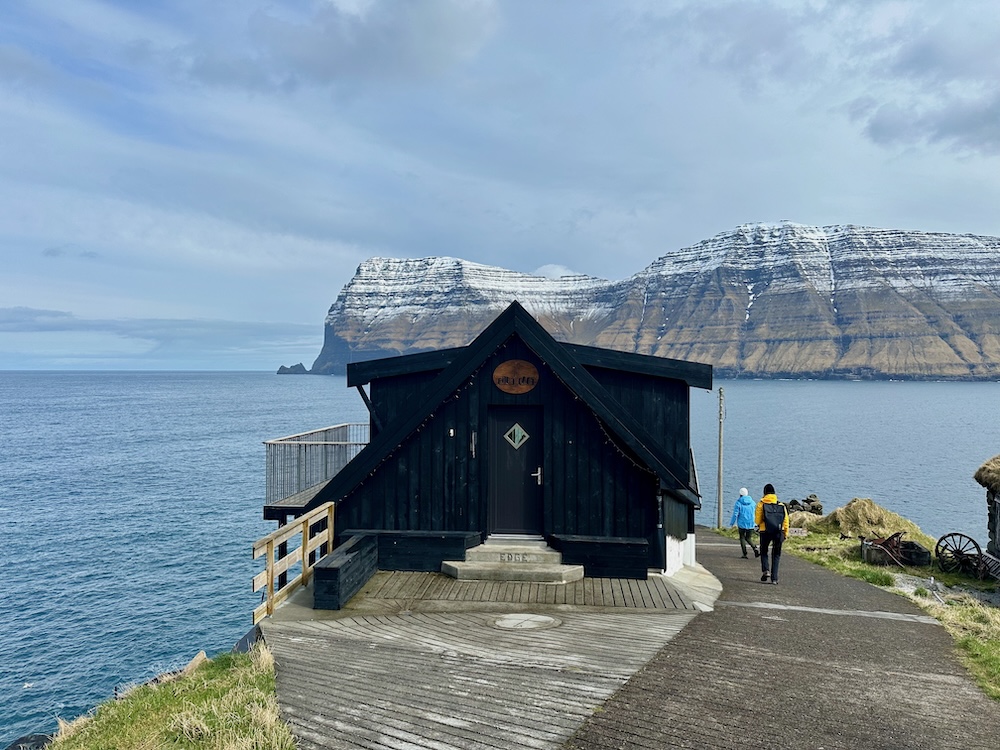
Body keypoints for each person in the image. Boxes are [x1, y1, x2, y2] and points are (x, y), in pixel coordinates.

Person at [755, 483, 788, 584]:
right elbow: (786, 521)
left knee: (764, 551)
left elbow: (757, 520)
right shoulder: (781, 505)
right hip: (779, 531)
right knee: (776, 554)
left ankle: (766, 570)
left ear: (764, 493)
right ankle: (774, 578)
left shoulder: (761, 504)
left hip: (765, 531)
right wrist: (785, 533)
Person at [728, 487, 760, 558]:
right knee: (748, 538)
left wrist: (732, 523)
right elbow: (756, 512)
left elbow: (735, 514)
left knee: (742, 537)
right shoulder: (753, 502)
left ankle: (744, 553)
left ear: (740, 494)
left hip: (742, 523)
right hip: (751, 523)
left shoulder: (738, 502)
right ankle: (754, 548)